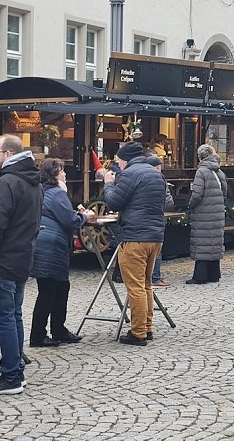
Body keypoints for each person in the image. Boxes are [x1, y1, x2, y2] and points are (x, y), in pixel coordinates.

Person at [0, 134, 42, 395]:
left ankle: (11, 376)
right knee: (14, 316)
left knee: (5, 318)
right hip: (22, 257)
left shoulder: (7, 182)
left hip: (2, 260)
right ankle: (16, 371)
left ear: (8, 154)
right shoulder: (32, 182)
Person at [103, 141, 166, 346]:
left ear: (125, 159)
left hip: (135, 236)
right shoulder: (156, 174)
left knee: (135, 287)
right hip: (155, 236)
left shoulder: (129, 174)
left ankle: (138, 332)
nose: (118, 165)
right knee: (146, 284)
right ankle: (147, 327)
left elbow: (113, 202)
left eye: (119, 161)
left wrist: (108, 184)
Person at [29, 158, 93, 347]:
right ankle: (40, 335)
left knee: (58, 288)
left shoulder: (41, 191)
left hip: (42, 242)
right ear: (55, 174)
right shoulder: (57, 194)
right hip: (52, 245)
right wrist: (84, 216)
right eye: (62, 171)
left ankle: (57, 329)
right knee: (49, 291)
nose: (65, 174)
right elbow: (69, 220)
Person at [186, 144, 228, 285]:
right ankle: (214, 274)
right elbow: (225, 192)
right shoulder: (219, 171)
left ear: (200, 157)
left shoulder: (201, 172)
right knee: (214, 241)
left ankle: (200, 276)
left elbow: (197, 194)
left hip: (203, 213)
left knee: (202, 241)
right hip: (217, 212)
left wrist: (190, 205)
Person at [142, 148, 175, 288]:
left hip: (141, 221)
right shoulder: (159, 179)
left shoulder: (138, 177)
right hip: (155, 220)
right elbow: (168, 203)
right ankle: (154, 277)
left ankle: (146, 277)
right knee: (157, 250)